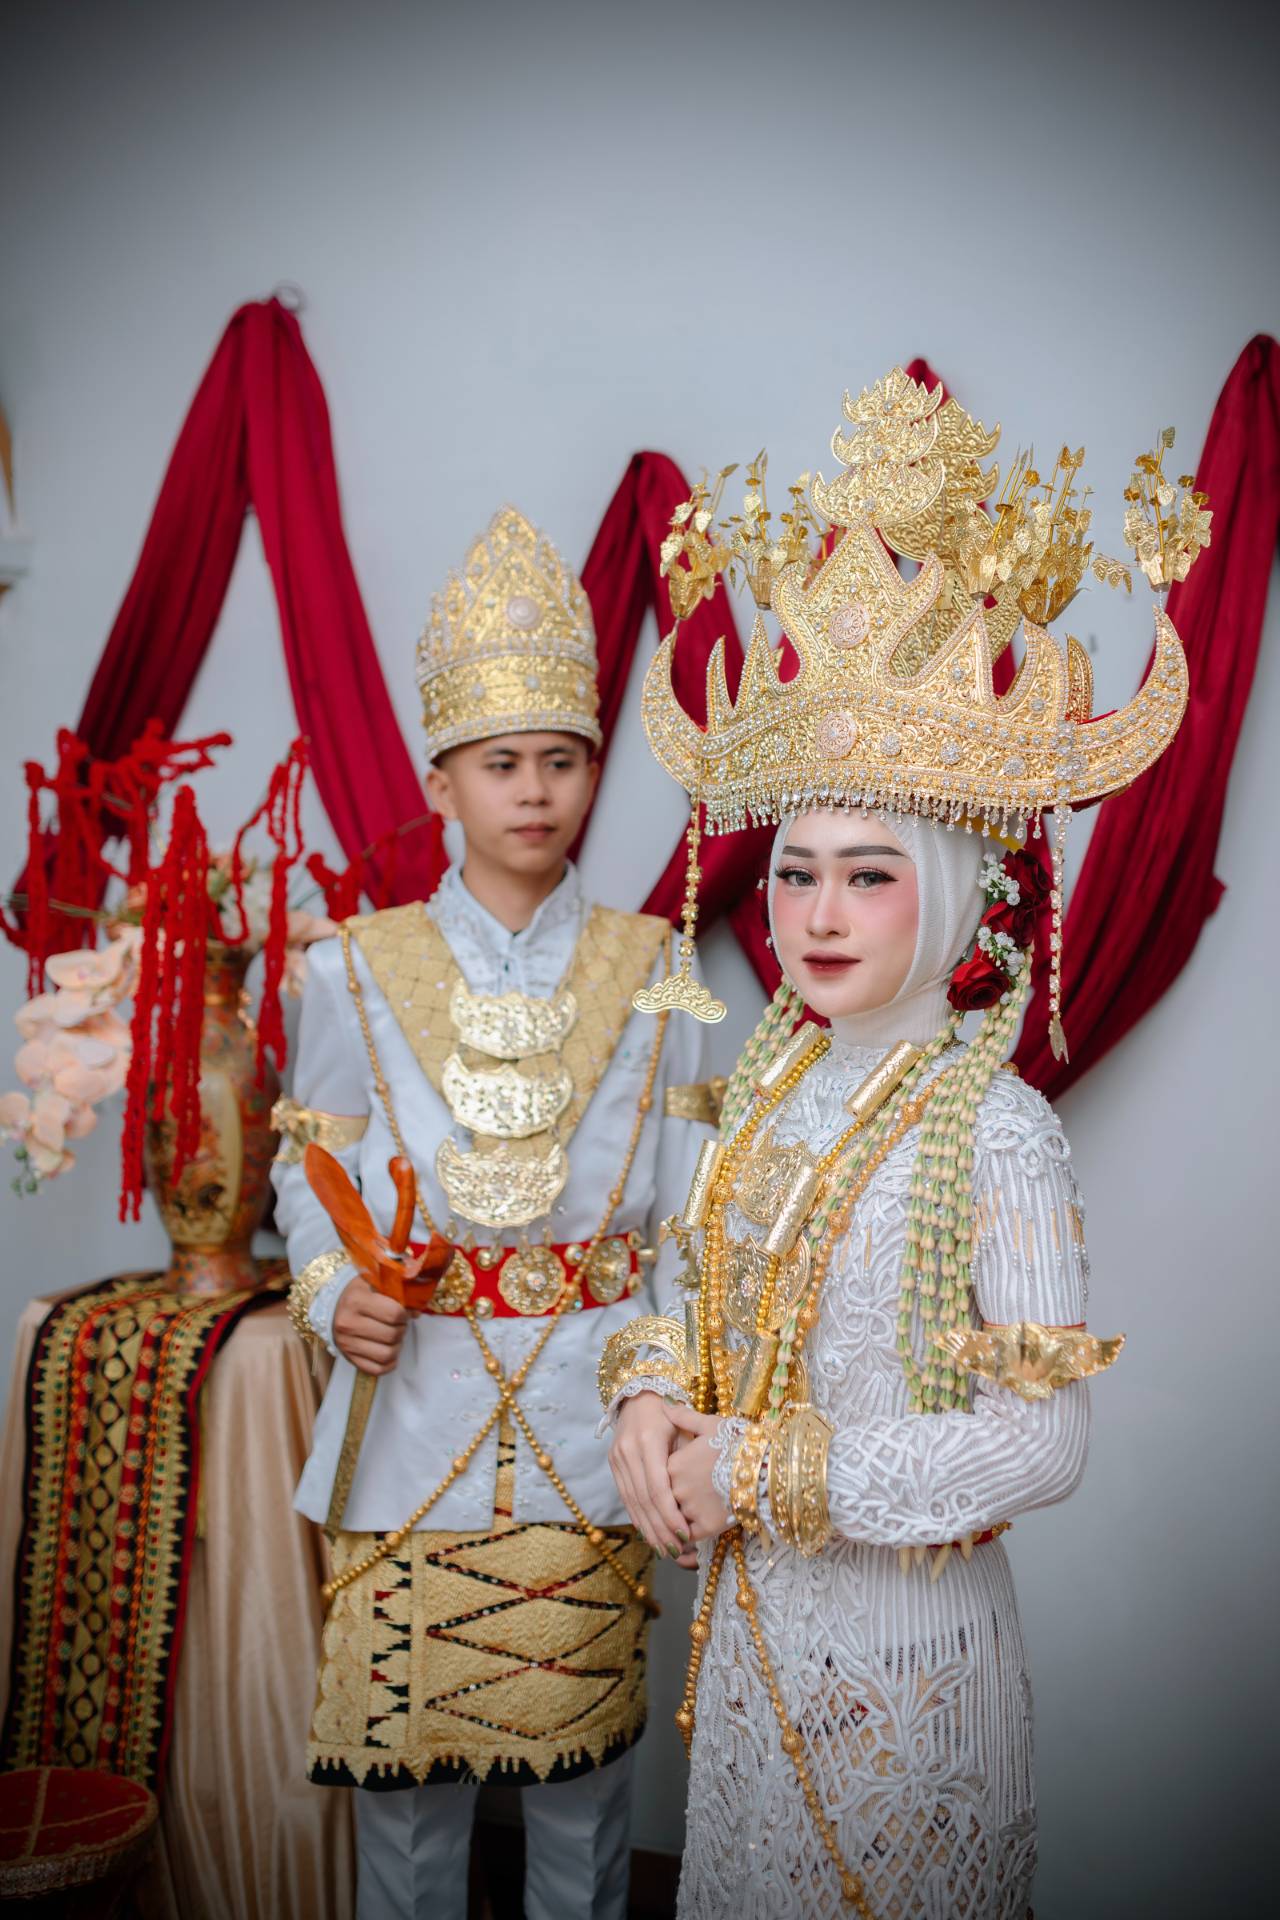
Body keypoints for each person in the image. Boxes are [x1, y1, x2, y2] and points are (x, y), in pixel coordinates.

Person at [601, 369, 1188, 1916]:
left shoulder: (998, 1130)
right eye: (796, 871)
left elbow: (1043, 1442)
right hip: (749, 1653)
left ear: (958, 885)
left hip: (913, 1668)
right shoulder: (765, 1093)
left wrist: (759, 1470)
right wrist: (650, 1401)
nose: (816, 913)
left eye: (870, 874)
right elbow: (687, 1293)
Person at [273, 506, 716, 1920]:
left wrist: (665, 1396)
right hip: (409, 1430)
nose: (536, 791)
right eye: (502, 762)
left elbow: (685, 1218)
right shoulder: (350, 970)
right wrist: (328, 1288)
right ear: (444, 781)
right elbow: (306, 1172)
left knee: (587, 1810)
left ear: (593, 771)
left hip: (593, 1433)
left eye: (562, 759)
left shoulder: (659, 965)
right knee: (407, 1815)